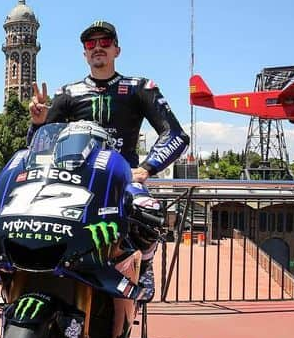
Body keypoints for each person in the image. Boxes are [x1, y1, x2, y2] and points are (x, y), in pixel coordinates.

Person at [29, 19, 189, 302]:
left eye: (105, 42)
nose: (98, 47)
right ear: (84, 53)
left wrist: (147, 167)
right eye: (91, 44)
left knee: (148, 212)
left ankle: (144, 267)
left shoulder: (140, 87)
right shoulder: (66, 93)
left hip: (121, 178)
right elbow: (37, 145)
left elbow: (175, 134)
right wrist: (37, 124)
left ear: (117, 50)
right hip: (75, 179)